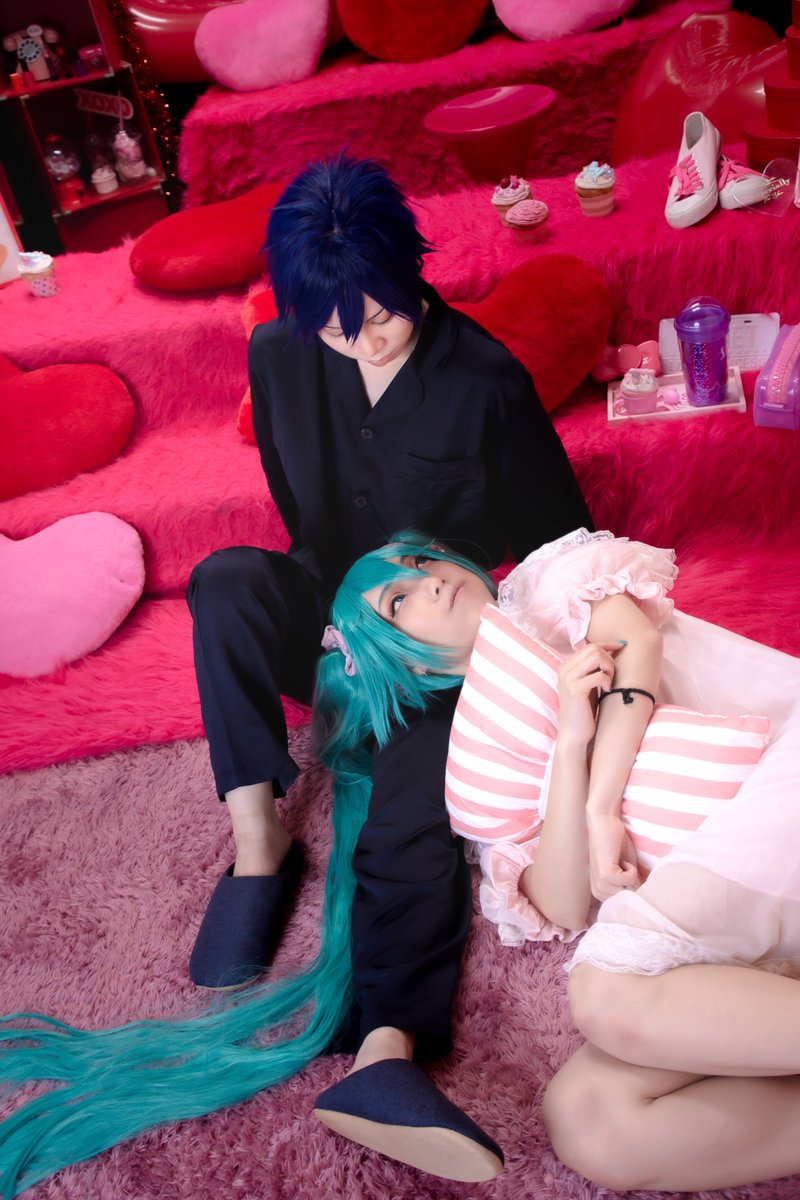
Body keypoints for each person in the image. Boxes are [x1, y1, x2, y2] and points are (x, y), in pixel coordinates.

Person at [185, 151, 592, 996]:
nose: (366, 342)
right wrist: (338, 624)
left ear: (411, 269)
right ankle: (259, 843)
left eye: (382, 316)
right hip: (333, 624)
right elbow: (297, 511)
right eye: (338, 330)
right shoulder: (278, 354)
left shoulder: (485, 380)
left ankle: (392, 1024)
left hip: (432, 655)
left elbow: (559, 541)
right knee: (224, 581)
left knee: (414, 808)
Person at [324, 529, 800, 1193]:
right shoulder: (486, 765)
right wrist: (572, 743)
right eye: (399, 602)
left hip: (779, 785)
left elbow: (638, 644)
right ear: (413, 668)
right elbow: (565, 905)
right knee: (589, 1121)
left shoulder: (549, 588)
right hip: (732, 908)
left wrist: (602, 808)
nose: (428, 578)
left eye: (421, 561)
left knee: (606, 993)